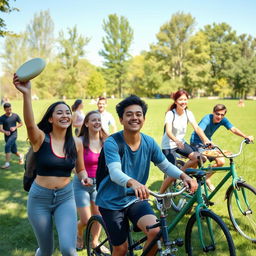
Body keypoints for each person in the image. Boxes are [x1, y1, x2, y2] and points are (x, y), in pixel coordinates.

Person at [96, 95, 198, 256]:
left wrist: (183, 176)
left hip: (134, 198)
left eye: (138, 114)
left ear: (144, 118)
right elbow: (115, 173)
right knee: (121, 249)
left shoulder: (149, 142)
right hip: (111, 201)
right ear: (121, 119)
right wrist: (133, 183)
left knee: (156, 232)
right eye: (129, 114)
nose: (134, 117)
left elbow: (164, 165)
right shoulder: (112, 142)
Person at [13, 74, 92, 256]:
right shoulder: (41, 139)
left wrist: (84, 177)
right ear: (51, 119)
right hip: (39, 199)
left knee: (68, 250)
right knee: (46, 250)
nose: (65, 115)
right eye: (59, 112)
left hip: (65, 197)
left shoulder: (76, 142)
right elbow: (30, 125)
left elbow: (80, 169)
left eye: (67, 112)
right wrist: (27, 93)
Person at [190, 103, 254, 191]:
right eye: (217, 114)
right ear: (213, 113)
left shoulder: (223, 120)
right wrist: (205, 140)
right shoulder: (207, 118)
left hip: (208, 143)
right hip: (197, 141)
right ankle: (188, 179)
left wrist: (245, 136)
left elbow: (233, 129)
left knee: (221, 161)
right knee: (201, 158)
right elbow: (199, 130)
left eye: (222, 115)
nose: (219, 117)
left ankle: (206, 178)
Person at [159, 90, 211, 194]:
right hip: (168, 145)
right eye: (180, 99)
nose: (183, 102)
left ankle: (182, 173)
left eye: (185, 99)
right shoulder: (170, 114)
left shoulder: (188, 113)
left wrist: (206, 140)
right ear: (175, 101)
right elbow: (168, 131)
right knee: (172, 174)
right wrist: (176, 140)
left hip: (181, 143)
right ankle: (159, 196)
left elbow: (196, 128)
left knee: (200, 158)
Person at [73, 110, 108, 250]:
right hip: (81, 184)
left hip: (99, 184)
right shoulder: (79, 141)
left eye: (99, 120)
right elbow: (73, 165)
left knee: (98, 216)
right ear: (86, 123)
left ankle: (94, 242)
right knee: (87, 219)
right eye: (93, 120)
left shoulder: (106, 141)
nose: (97, 122)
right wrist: (82, 176)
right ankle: (78, 232)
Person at [0, 102, 24, 169]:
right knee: (14, 151)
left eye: (10, 109)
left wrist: (15, 127)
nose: (9, 111)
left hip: (14, 135)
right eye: (7, 110)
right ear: (4, 109)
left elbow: (21, 123)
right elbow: (0, 129)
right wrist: (5, 132)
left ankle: (7, 165)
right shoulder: (2, 118)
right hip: (7, 136)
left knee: (7, 146)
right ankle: (21, 156)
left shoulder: (15, 116)